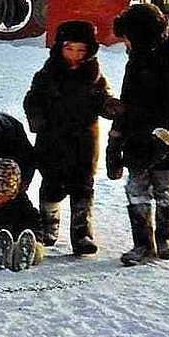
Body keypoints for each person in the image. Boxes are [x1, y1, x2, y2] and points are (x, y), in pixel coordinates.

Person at [106, 3, 169, 266]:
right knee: (136, 188)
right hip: (136, 138)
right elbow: (127, 102)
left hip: (167, 141)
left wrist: (162, 142)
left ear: (144, 38)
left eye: (129, 40)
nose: (126, 45)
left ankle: (166, 236)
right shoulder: (135, 63)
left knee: (165, 188)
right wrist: (116, 139)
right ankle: (142, 243)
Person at [23, 20, 120, 255]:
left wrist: (110, 107)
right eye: (69, 49)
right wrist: (38, 120)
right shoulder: (46, 75)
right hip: (52, 139)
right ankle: (48, 227)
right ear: (59, 48)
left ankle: (82, 233)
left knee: (83, 186)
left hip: (85, 141)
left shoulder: (94, 77)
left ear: (90, 52)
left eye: (81, 50)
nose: (75, 55)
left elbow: (103, 100)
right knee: (52, 184)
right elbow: (32, 100)